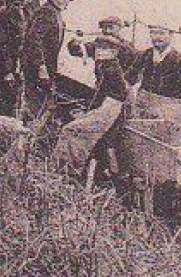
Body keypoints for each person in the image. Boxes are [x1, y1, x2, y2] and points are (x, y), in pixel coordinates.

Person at [57, 24, 133, 180]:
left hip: (110, 108)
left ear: (114, 52)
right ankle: (68, 169)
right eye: (98, 49)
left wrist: (88, 111)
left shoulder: (111, 68)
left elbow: (105, 94)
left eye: (104, 50)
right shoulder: (104, 64)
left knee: (71, 130)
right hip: (107, 106)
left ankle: (68, 171)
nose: (99, 52)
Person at [127, 25, 181, 130]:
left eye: (161, 33)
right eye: (153, 33)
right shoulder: (144, 55)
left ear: (171, 35)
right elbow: (129, 79)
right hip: (142, 109)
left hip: (168, 113)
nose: (157, 37)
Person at [22, 0, 75, 118]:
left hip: (47, 64)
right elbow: (33, 40)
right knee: (37, 98)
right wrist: (41, 66)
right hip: (38, 65)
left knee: (43, 98)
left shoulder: (55, 13)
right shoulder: (46, 13)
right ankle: (33, 125)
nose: (66, 0)